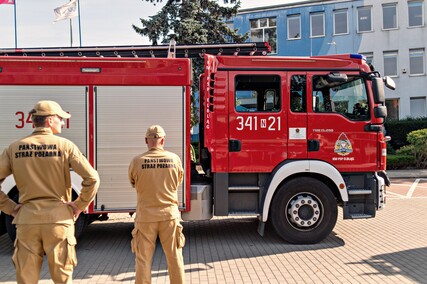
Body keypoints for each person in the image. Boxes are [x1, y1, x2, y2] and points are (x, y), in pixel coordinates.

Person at [0, 100, 100, 284]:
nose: (63, 122)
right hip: (59, 221)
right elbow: (92, 178)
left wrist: (11, 208)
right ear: (50, 120)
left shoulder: (14, 148)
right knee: (62, 278)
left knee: (26, 278)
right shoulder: (66, 146)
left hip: (27, 220)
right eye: (60, 119)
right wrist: (79, 206)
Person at [128, 125, 185, 284]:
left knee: (143, 260)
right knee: (175, 258)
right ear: (163, 140)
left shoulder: (137, 161)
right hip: (169, 216)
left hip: (146, 217)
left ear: (146, 140)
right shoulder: (174, 159)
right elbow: (178, 181)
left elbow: (133, 182)